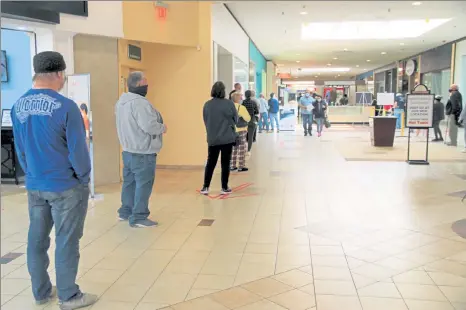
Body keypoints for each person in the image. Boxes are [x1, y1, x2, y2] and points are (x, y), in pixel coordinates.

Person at [11, 51, 96, 309]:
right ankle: (69, 296)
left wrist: (32, 174)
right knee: (66, 240)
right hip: (66, 186)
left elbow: (21, 150)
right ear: (59, 74)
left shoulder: (17, 106)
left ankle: (41, 292)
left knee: (37, 240)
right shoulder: (67, 107)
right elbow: (78, 152)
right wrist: (83, 179)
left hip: (35, 185)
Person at [115, 71, 166, 228]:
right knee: (144, 184)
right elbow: (149, 126)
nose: (147, 87)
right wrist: (162, 127)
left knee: (129, 183)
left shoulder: (121, 102)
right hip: (142, 152)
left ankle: (126, 211)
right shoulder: (140, 103)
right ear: (138, 84)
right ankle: (139, 217)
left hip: (128, 150)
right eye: (145, 83)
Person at [201, 81, 237, 195]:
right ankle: (224, 187)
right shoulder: (229, 104)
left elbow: (205, 120)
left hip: (213, 138)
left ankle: (205, 187)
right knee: (225, 163)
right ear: (224, 91)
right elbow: (235, 120)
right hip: (227, 138)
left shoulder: (207, 104)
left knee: (211, 162)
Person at [230, 92, 250, 172]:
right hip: (241, 130)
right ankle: (241, 166)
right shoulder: (241, 107)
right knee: (241, 148)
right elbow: (248, 118)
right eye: (240, 97)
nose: (241, 98)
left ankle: (232, 165)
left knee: (233, 148)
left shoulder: (229, 107)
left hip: (231, 130)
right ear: (238, 99)